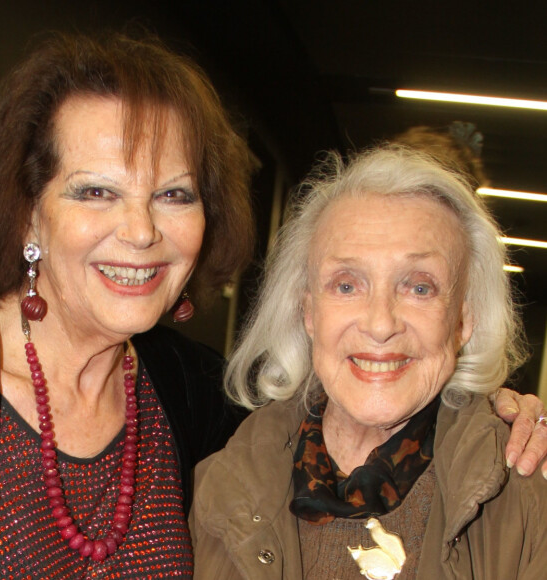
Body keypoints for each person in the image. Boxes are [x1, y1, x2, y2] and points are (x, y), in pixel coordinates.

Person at [0, 30, 254, 578]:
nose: (142, 231)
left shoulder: (204, 398)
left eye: (174, 194)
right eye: (96, 192)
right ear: (28, 211)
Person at [190, 146, 547, 579]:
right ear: (308, 311)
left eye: (419, 288)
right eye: (346, 285)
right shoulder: (216, 488)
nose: (380, 324)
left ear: (462, 320)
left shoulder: (529, 499)